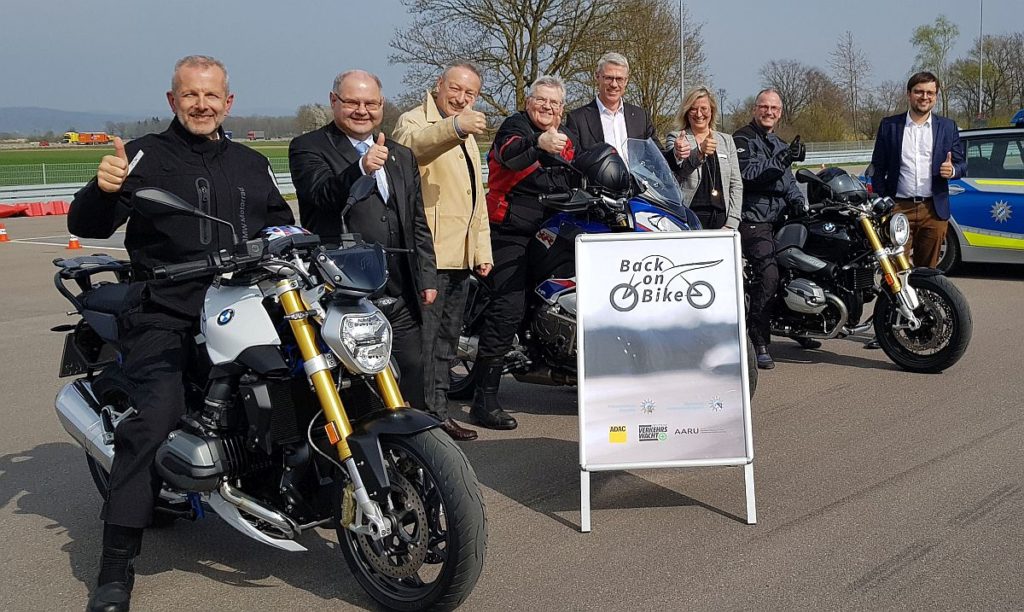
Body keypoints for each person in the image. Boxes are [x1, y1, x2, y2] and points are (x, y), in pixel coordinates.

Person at [67, 55, 295, 612]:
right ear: (173, 100)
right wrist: (101, 190)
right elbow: (87, 225)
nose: (201, 104)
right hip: (166, 308)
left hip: (242, 303)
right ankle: (116, 569)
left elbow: (280, 221)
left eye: (211, 95)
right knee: (155, 419)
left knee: (300, 377)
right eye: (190, 95)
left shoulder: (249, 160)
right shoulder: (145, 154)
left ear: (228, 102)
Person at [289, 70, 438, 413]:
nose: (362, 110)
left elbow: (416, 220)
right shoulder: (308, 147)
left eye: (370, 103)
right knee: (360, 384)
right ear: (333, 102)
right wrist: (359, 169)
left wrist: (427, 276)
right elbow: (320, 195)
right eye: (352, 102)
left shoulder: (400, 154)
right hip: (344, 293)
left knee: (413, 370)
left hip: (399, 290)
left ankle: (413, 448)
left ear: (381, 105)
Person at [392, 63, 493, 441]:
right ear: (439, 85)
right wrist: (455, 127)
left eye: (470, 94)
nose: (462, 99)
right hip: (428, 254)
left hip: (460, 254)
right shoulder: (414, 120)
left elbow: (475, 198)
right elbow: (412, 147)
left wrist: (482, 249)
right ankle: (419, 419)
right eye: (456, 89)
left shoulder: (463, 130)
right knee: (424, 341)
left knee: (447, 342)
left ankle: (437, 413)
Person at [474, 75, 579, 430]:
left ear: (562, 109)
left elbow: (576, 175)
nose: (548, 107)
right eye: (542, 100)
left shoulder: (566, 139)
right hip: (509, 230)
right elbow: (510, 156)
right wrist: (539, 143)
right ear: (529, 101)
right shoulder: (515, 128)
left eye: (555, 103)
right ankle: (484, 398)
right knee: (510, 304)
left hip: (550, 231)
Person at [733, 88, 815, 370]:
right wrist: (783, 160)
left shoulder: (779, 144)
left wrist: (800, 204)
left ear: (780, 113)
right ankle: (759, 340)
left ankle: (805, 323)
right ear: (755, 109)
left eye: (774, 109)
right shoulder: (741, 139)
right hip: (753, 218)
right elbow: (750, 176)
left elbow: (789, 183)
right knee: (768, 273)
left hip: (780, 217)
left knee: (812, 257)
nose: (769, 112)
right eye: (764, 107)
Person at [869, 71, 966, 269]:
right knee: (896, 271)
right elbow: (877, 167)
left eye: (930, 93)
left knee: (928, 273)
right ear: (909, 94)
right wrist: (882, 199)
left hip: (933, 210)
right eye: (919, 92)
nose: (924, 97)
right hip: (898, 208)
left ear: (936, 96)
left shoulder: (947, 127)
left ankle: (925, 301)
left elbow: (962, 165)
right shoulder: (890, 126)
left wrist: (953, 170)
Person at [566, 52, 684, 164]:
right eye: (608, 78)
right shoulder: (577, 119)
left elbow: (658, 158)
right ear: (597, 77)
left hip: (636, 185)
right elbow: (573, 162)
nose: (614, 84)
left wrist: (676, 153)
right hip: (598, 185)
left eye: (619, 79)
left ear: (626, 80)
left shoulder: (640, 117)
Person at [665, 86, 742, 229]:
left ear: (712, 111)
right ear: (687, 112)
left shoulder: (727, 141)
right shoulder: (676, 139)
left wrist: (732, 223)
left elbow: (736, 185)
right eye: (693, 109)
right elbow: (674, 178)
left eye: (704, 109)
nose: (699, 114)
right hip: (689, 220)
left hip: (721, 221)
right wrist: (699, 152)